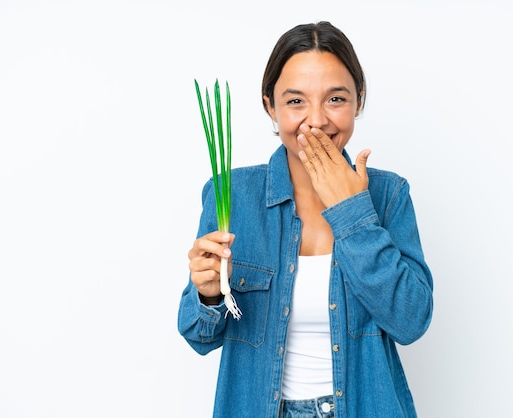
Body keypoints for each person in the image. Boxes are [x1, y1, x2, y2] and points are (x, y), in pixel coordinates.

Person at [178, 21, 434, 418]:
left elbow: (411, 321)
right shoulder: (231, 195)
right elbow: (198, 335)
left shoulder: (389, 195)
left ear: (358, 102)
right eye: (296, 101)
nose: (316, 121)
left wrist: (352, 213)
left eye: (335, 99)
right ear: (270, 106)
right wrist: (209, 294)